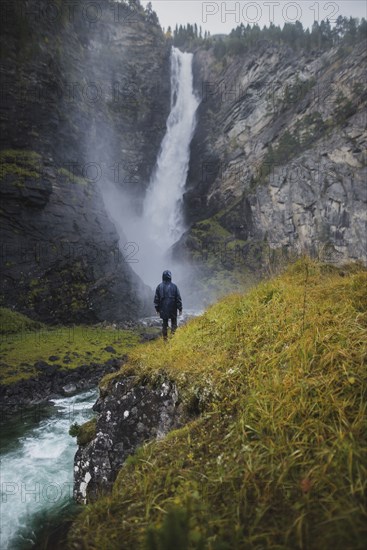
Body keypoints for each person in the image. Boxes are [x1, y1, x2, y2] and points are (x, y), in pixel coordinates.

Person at [154, 270, 182, 340]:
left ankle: (165, 339)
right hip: (173, 308)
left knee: (164, 324)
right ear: (170, 277)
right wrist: (180, 308)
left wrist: (157, 309)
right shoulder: (174, 286)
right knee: (174, 323)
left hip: (163, 308)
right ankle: (173, 337)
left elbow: (156, 299)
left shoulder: (159, 286)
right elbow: (178, 298)